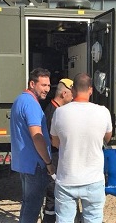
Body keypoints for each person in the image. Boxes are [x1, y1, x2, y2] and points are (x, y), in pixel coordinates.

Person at [50, 73, 112, 223]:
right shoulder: (103, 111)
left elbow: (55, 142)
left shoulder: (59, 112)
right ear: (90, 89)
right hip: (93, 179)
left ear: (73, 89)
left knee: (64, 220)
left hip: (67, 179)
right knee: (94, 219)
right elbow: (107, 138)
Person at [10, 67, 55, 223]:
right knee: (33, 206)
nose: (47, 89)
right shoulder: (32, 104)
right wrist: (48, 162)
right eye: (43, 85)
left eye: (48, 85)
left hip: (24, 163)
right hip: (35, 164)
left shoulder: (19, 100)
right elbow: (37, 136)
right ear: (32, 83)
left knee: (27, 203)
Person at [42, 78, 73, 221]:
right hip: (54, 160)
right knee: (52, 198)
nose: (73, 96)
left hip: (56, 159)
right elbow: (54, 142)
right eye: (71, 93)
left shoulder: (56, 109)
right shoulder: (53, 112)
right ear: (63, 93)